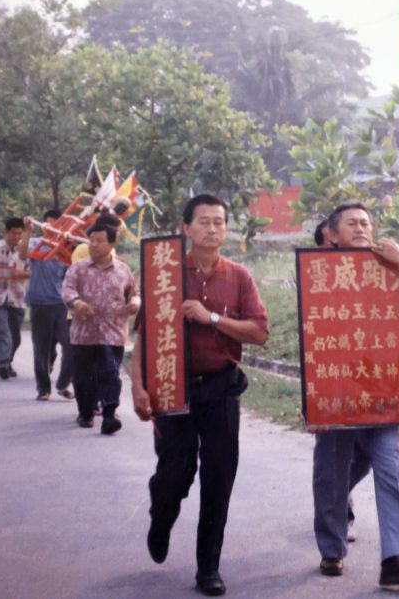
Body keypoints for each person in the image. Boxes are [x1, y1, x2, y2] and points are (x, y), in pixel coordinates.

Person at [131, 194, 268, 597]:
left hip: (221, 387)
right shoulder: (165, 273)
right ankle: (161, 514)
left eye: (219, 222)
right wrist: (138, 387)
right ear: (186, 228)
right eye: (204, 221)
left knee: (218, 477)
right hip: (172, 384)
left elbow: (259, 332)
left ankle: (208, 567)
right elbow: (145, 336)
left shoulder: (239, 276)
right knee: (176, 473)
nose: (212, 229)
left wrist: (212, 318)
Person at [312, 201, 399, 586]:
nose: (360, 228)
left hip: (386, 388)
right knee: (332, 472)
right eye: (351, 223)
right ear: (332, 234)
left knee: (389, 469)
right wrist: (315, 404)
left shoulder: (391, 264)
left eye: (365, 222)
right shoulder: (319, 273)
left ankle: (396, 558)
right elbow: (313, 337)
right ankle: (332, 550)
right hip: (338, 387)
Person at [313, 216, 371, 543]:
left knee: (364, 458)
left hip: (372, 381)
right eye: (325, 243)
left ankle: (337, 500)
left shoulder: (378, 269)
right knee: (331, 460)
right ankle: (333, 541)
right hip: (333, 382)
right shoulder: (317, 277)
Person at [61, 221, 140, 433]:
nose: (94, 244)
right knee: (83, 376)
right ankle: (86, 413)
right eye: (91, 240)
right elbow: (67, 291)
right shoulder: (77, 269)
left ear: (112, 243)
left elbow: (135, 294)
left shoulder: (123, 271)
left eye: (99, 240)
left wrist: (135, 304)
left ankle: (109, 415)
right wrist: (77, 303)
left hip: (113, 331)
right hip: (83, 333)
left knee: (110, 373)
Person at [23, 210, 74, 401]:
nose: (52, 228)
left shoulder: (67, 247)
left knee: (71, 347)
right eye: (49, 224)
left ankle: (63, 384)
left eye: (57, 225)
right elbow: (22, 254)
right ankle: (43, 388)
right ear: (43, 225)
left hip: (62, 305)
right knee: (41, 349)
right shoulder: (36, 243)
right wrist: (27, 231)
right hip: (39, 303)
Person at [0, 217, 30, 379]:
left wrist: (21, 274)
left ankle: (7, 361)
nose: (16, 237)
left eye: (19, 233)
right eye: (13, 233)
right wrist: (7, 273)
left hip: (17, 298)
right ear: (6, 232)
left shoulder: (26, 250)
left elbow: (32, 271)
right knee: (1, 330)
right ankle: (2, 363)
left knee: (15, 337)